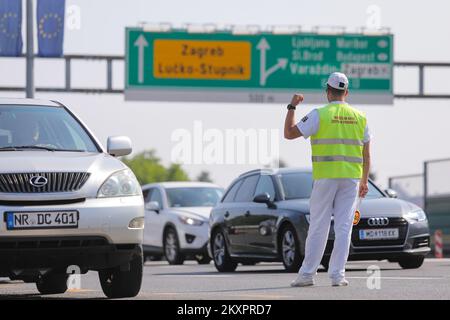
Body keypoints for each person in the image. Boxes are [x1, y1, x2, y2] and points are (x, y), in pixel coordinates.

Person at [284, 72, 371, 287]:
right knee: (344, 227)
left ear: (327, 92)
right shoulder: (361, 117)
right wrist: (364, 181)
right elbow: (366, 155)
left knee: (319, 226)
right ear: (347, 92)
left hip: (325, 178)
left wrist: (292, 107)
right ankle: (338, 276)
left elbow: (289, 133)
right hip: (351, 178)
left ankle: (307, 275)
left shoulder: (319, 114)